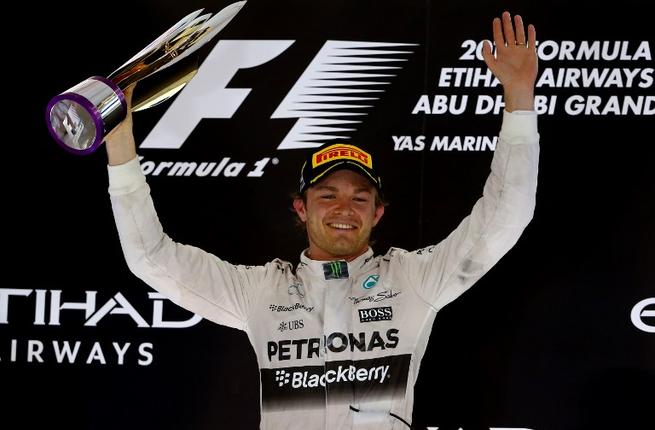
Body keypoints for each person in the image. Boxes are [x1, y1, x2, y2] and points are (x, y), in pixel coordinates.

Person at [105, 11, 539, 430]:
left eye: (359, 198)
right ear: (301, 208)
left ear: (378, 212)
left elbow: (504, 218)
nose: (343, 209)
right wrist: (120, 140)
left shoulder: (414, 280)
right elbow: (150, 257)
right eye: (327, 195)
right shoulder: (261, 292)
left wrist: (519, 98)